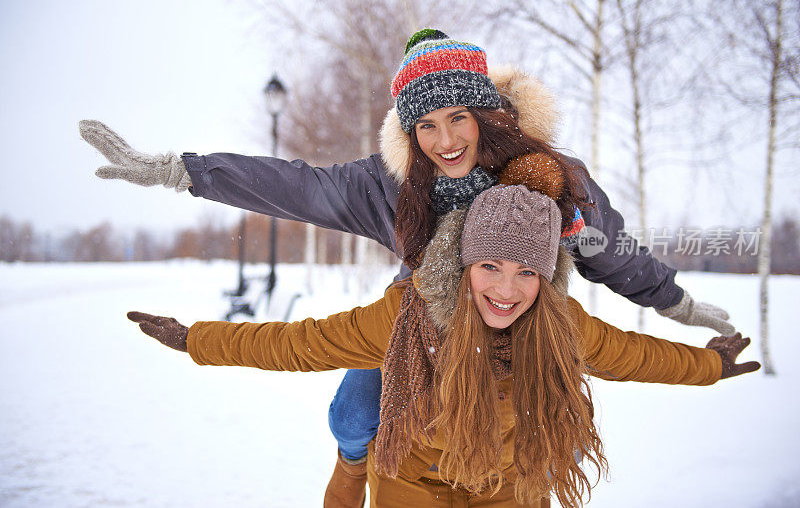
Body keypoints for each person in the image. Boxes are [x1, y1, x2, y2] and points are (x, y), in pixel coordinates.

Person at [78, 29, 739, 507]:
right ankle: (354, 465)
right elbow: (292, 185)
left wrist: (677, 303)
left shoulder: (552, 177)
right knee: (356, 411)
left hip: (525, 323)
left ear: (487, 114)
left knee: (523, 430)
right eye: (426, 126)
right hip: (416, 323)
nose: (446, 140)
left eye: (460, 118)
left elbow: (608, 253)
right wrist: (179, 171)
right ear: (407, 134)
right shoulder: (387, 184)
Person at [127, 183, 759, 507]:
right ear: (463, 266)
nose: (508, 290)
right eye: (490, 268)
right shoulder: (409, 315)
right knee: (353, 419)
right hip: (413, 473)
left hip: (513, 478)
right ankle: (349, 465)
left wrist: (707, 365)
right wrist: (196, 341)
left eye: (526, 272)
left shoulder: (558, 324)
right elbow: (303, 342)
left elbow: (631, 354)